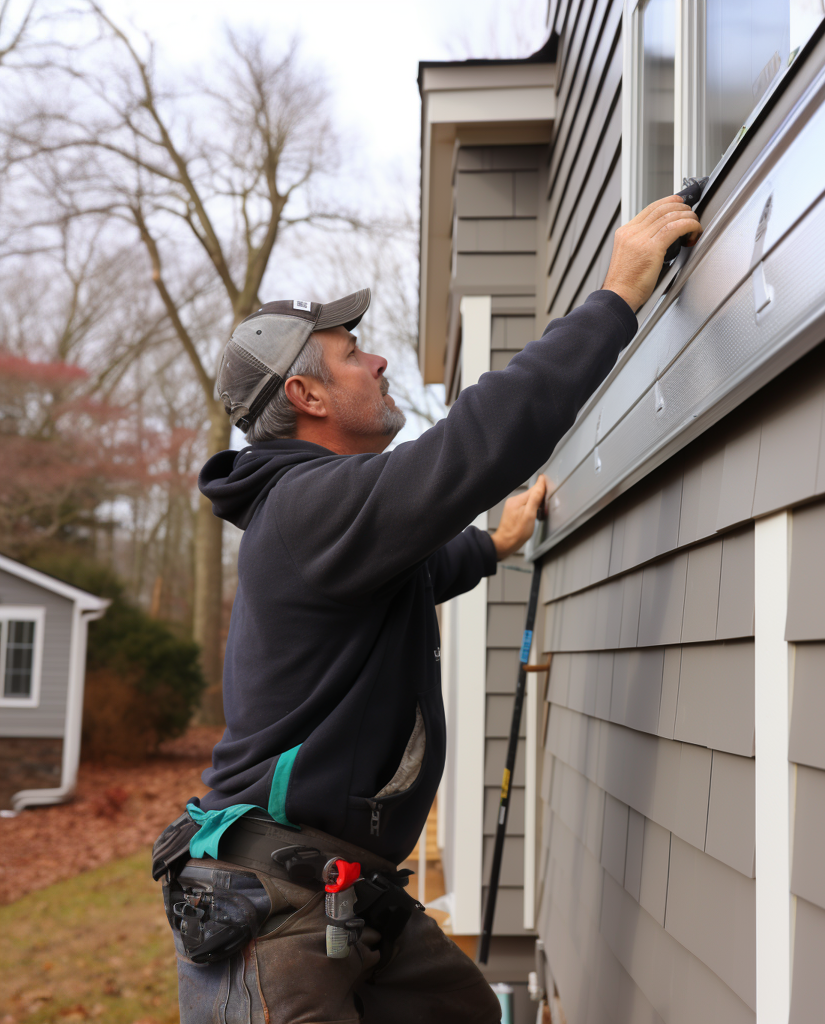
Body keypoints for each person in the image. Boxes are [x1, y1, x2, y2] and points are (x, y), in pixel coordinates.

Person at [153, 195, 702, 1023]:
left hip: (342, 890)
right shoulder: (309, 505)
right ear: (306, 393)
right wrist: (616, 297)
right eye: (352, 353)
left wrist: (495, 543)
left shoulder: (323, 519)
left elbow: (421, 567)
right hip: (275, 913)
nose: (376, 362)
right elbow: (475, 442)